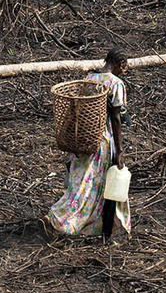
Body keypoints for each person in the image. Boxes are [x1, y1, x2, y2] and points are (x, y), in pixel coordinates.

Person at [46, 50, 131, 237]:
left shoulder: (89, 78)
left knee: (78, 182)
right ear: (120, 64)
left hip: (83, 138)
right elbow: (116, 119)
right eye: (124, 67)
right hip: (102, 142)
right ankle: (62, 220)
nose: (123, 71)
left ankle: (66, 219)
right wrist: (119, 151)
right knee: (91, 185)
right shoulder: (116, 84)